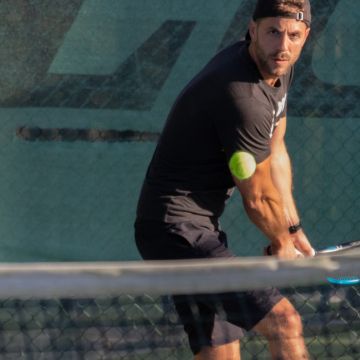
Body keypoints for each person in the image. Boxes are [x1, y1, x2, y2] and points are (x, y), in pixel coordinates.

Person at [135, 0, 315, 359]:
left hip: (192, 226)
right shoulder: (242, 93)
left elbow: (275, 148)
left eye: (293, 35)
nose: (282, 45)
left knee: (221, 347)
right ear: (253, 31)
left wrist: (292, 228)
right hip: (176, 230)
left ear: (305, 37)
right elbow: (258, 196)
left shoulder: (278, 68)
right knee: (284, 322)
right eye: (273, 32)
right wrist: (279, 240)